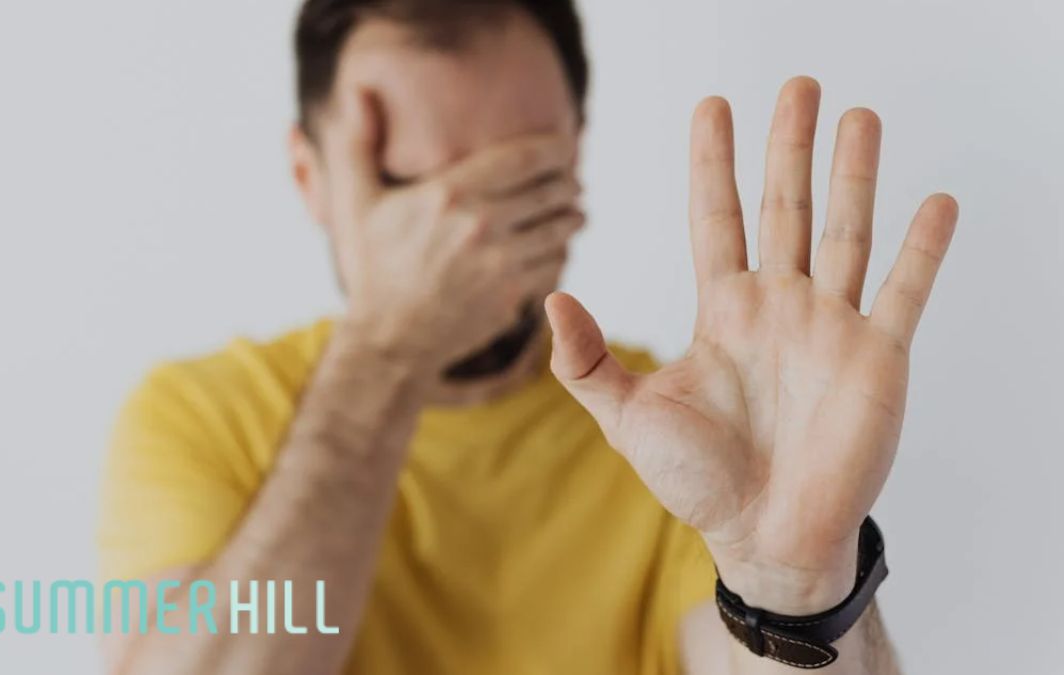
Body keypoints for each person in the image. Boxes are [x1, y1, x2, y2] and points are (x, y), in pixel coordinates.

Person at [97, 1, 958, 673]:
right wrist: (387, 348)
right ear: (308, 177)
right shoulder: (201, 416)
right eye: (406, 190)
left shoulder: (688, 433)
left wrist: (795, 582)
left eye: (514, 184)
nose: (462, 236)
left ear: (574, 161)